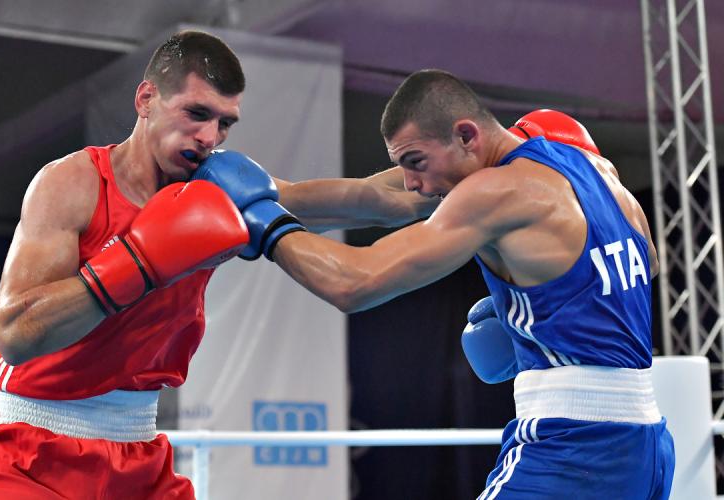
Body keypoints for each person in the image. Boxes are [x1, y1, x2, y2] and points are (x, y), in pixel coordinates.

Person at [0, 30, 436, 499]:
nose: (209, 136)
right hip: (29, 456)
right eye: (197, 114)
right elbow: (15, 334)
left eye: (224, 123)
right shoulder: (73, 184)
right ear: (146, 99)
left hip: (138, 460)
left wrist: (465, 165)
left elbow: (373, 197)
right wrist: (138, 262)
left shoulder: (218, 194)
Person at [213, 70, 675, 498]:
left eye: (417, 162)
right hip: (648, 445)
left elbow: (354, 282)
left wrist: (267, 225)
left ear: (467, 135)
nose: (413, 183)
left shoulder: (495, 192)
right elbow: (647, 263)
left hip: (575, 446)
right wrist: (265, 193)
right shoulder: (588, 166)